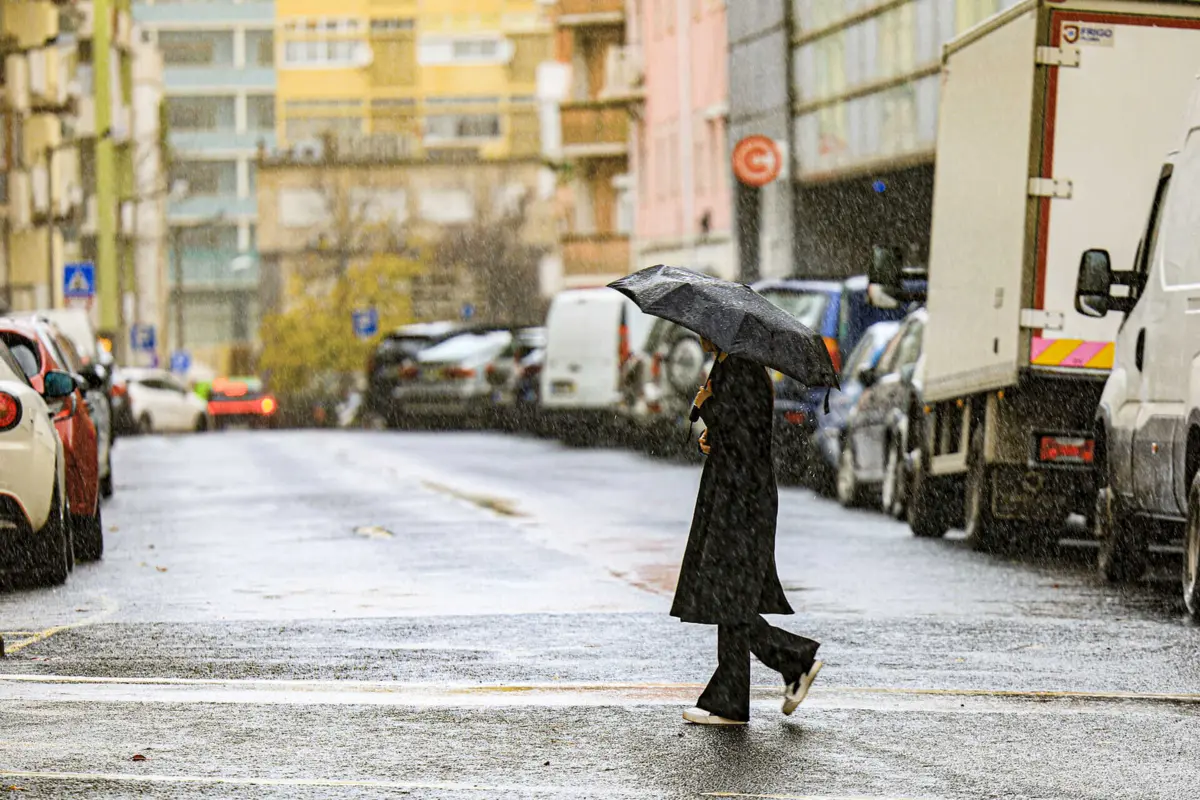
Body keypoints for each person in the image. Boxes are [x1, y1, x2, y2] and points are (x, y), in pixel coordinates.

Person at [674, 337, 823, 726]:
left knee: (730, 597)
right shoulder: (731, 364)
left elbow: (743, 436)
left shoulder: (740, 368)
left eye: (703, 331)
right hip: (735, 493)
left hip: (741, 498)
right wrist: (713, 431)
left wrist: (708, 407)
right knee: (729, 594)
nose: (698, 336)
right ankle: (734, 697)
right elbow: (739, 434)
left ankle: (792, 661)